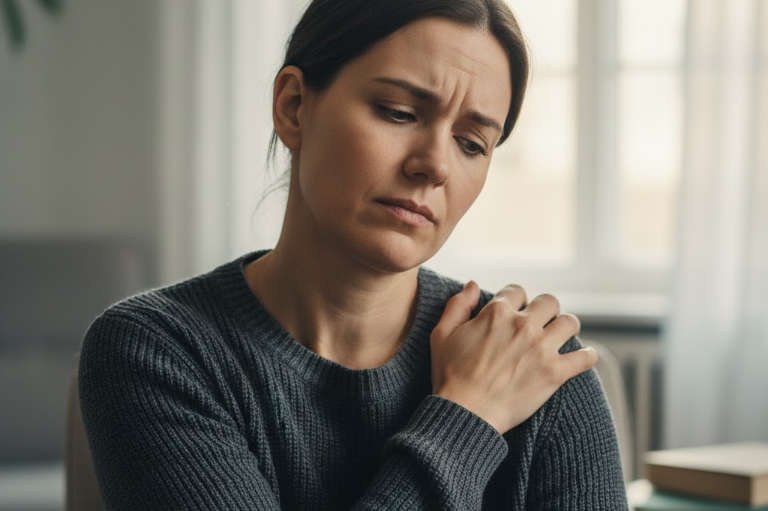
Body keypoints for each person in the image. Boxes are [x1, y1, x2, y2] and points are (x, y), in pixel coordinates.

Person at [78, 0, 628, 509]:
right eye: (398, 112)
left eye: (470, 144)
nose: (434, 165)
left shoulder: (533, 361)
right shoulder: (157, 350)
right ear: (294, 106)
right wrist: (468, 417)